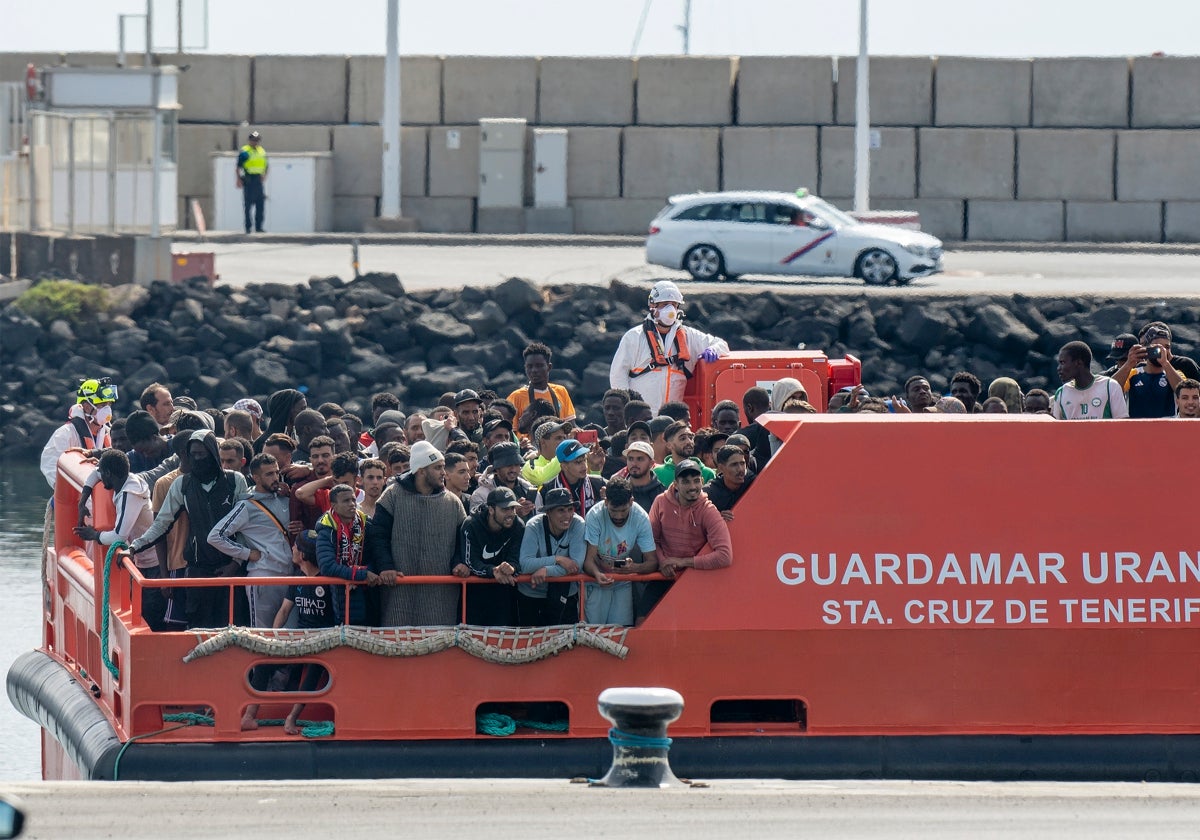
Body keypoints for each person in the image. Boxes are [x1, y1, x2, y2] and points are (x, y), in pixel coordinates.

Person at [128, 430, 250, 629]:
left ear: (212, 453)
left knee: (233, 628)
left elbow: (246, 526)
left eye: (202, 454)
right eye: (193, 454)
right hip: (197, 568)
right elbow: (161, 524)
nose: (197, 459)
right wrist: (134, 547)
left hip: (231, 569)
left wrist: (236, 563)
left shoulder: (234, 481)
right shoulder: (182, 485)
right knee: (198, 628)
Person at [368, 441, 466, 627]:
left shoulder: (453, 503)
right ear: (421, 471)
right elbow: (378, 536)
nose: (443, 473)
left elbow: (463, 542)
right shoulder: (392, 496)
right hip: (398, 590)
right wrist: (386, 566)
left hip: (440, 595)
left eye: (443, 467)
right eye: (437, 468)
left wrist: (459, 563)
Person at [73, 449, 164, 630]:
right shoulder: (124, 477)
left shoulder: (130, 494)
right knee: (142, 607)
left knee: (150, 613)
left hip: (152, 561)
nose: (101, 478)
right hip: (141, 558)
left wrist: (94, 535)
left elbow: (119, 535)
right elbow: (94, 474)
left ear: (109, 473)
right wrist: (82, 501)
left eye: (103, 474)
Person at [207, 453, 297, 631]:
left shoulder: (286, 499)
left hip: (290, 576)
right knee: (263, 635)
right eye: (269, 474)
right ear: (256, 478)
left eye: (276, 473)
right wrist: (247, 554)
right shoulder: (246, 506)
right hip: (264, 577)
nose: (275, 478)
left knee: (292, 634)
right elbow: (215, 536)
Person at [609, 280, 729, 414]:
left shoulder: (690, 337)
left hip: (672, 420)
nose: (670, 310)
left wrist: (713, 350)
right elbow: (618, 376)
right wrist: (627, 410)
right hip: (641, 418)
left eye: (674, 305)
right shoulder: (634, 337)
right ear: (653, 306)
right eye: (665, 304)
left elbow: (721, 344)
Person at [271, 530, 336, 735]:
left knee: (316, 666)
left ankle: (292, 717)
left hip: (322, 640)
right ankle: (249, 714)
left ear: (303, 555)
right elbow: (283, 611)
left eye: (295, 546)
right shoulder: (297, 578)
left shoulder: (328, 581)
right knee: (264, 655)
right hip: (299, 637)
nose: (292, 549)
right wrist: (273, 637)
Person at [582, 477, 658, 627]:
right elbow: (588, 561)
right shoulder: (595, 515)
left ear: (631, 501)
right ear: (606, 502)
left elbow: (653, 562)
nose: (619, 516)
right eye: (613, 511)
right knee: (592, 632)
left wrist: (634, 568)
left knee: (621, 631)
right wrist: (597, 575)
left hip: (623, 582)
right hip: (595, 582)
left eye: (623, 510)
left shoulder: (641, 518)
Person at [648, 458, 733, 579]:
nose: (692, 486)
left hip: (694, 577)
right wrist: (663, 562)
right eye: (686, 482)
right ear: (676, 484)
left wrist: (683, 562)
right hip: (663, 575)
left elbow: (725, 556)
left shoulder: (708, 510)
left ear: (702, 482)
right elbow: (651, 540)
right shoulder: (661, 501)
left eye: (696, 481)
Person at [453, 487, 523, 626]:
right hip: (474, 596)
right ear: (491, 510)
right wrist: (493, 571)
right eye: (505, 509)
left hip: (504, 595)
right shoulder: (471, 525)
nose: (510, 514)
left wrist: (511, 567)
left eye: (513, 509)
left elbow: (518, 558)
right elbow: (470, 562)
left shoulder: (519, 526)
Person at [517, 487, 585, 626]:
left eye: (570, 509)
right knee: (530, 643)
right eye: (561, 510)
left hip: (566, 593)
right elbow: (524, 564)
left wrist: (546, 570)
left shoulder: (578, 524)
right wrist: (558, 559)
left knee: (567, 645)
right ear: (548, 512)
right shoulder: (533, 526)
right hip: (533, 594)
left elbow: (575, 566)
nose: (567, 515)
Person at [317, 483, 378, 626]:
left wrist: (370, 571)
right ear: (333, 505)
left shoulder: (365, 522)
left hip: (370, 589)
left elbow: (377, 554)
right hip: (341, 593)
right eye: (346, 501)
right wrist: (361, 574)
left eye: (353, 500)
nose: (352, 504)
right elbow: (327, 566)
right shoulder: (326, 528)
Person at [41, 377, 117, 487]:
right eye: (102, 405)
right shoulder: (66, 433)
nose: (107, 410)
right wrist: (68, 490)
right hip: (75, 494)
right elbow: (50, 463)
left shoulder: (109, 433)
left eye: (108, 405)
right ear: (86, 406)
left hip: (101, 493)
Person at [1110, 323, 1197, 418]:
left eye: (1167, 347)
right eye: (1157, 346)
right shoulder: (1133, 374)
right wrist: (1129, 363)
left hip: (1168, 429)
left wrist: (1165, 363)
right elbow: (1110, 390)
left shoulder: (1174, 373)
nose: (1163, 350)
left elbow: (1184, 392)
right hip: (1137, 429)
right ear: (1146, 348)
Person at [1051, 341, 1128, 420]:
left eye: (1063, 363)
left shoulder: (1110, 386)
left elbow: (1122, 424)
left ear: (1078, 363)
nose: (1058, 368)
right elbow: (1056, 429)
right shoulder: (1061, 393)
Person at [507, 342, 578, 421]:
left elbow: (571, 425)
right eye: (529, 366)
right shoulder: (516, 397)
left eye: (539, 366)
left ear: (549, 367)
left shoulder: (561, 391)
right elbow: (509, 431)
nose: (534, 370)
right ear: (525, 368)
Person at [538, 438, 606, 517]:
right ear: (564, 466)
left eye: (584, 460)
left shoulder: (598, 483)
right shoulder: (547, 489)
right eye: (578, 462)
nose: (584, 466)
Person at [471, 441, 537, 522]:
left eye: (516, 464)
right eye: (508, 465)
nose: (513, 469)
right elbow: (480, 530)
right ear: (496, 468)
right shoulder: (480, 495)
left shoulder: (529, 489)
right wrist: (514, 514)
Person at [654, 421, 716, 485]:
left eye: (691, 437)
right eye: (683, 438)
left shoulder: (707, 473)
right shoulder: (658, 473)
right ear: (669, 445)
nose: (689, 442)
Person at [703, 444, 754, 520]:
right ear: (721, 468)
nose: (740, 469)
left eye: (742, 463)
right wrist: (715, 518)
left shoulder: (754, 483)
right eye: (734, 465)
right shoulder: (709, 494)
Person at [237, 130, 268, 234]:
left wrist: (264, 175)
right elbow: (238, 166)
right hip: (248, 179)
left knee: (260, 204)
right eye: (253, 140)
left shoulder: (262, 151)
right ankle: (248, 227)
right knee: (248, 205)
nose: (255, 142)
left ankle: (259, 227)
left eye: (257, 140)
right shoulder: (245, 151)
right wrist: (238, 179)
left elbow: (266, 165)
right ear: (249, 141)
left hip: (258, 180)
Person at [623, 440, 665, 512]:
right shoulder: (620, 490)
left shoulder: (662, 493)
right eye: (630, 459)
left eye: (640, 459)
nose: (634, 463)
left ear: (651, 463)